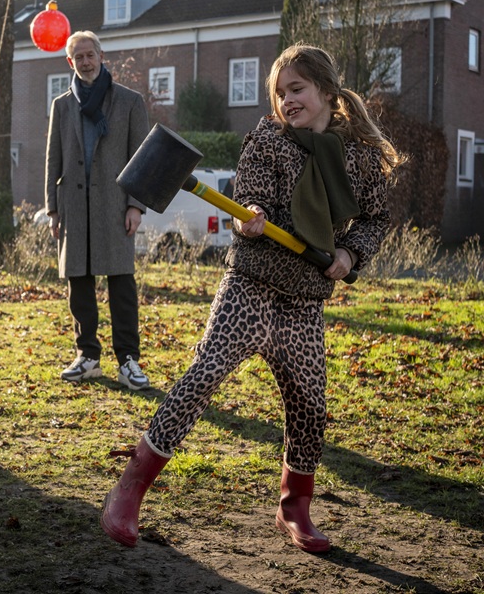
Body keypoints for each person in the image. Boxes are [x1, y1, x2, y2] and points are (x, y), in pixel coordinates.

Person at [100, 43, 404, 552]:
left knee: (309, 403)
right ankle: (129, 490)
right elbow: (252, 190)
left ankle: (294, 508)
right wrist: (251, 213)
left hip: (304, 298)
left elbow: (376, 217)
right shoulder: (267, 138)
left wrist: (351, 253)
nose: (287, 100)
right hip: (252, 285)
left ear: (327, 91)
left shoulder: (359, 160)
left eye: (297, 89)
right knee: (203, 376)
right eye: (280, 92)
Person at [44, 30, 151, 391]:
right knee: (79, 283)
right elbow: (52, 159)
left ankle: (128, 361)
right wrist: (52, 210)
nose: (86, 62)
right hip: (73, 206)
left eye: (91, 55)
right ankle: (87, 356)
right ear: (69, 62)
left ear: (102, 57)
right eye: (79, 57)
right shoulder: (61, 105)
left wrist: (137, 205)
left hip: (116, 205)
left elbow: (142, 159)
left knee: (121, 284)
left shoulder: (129, 101)